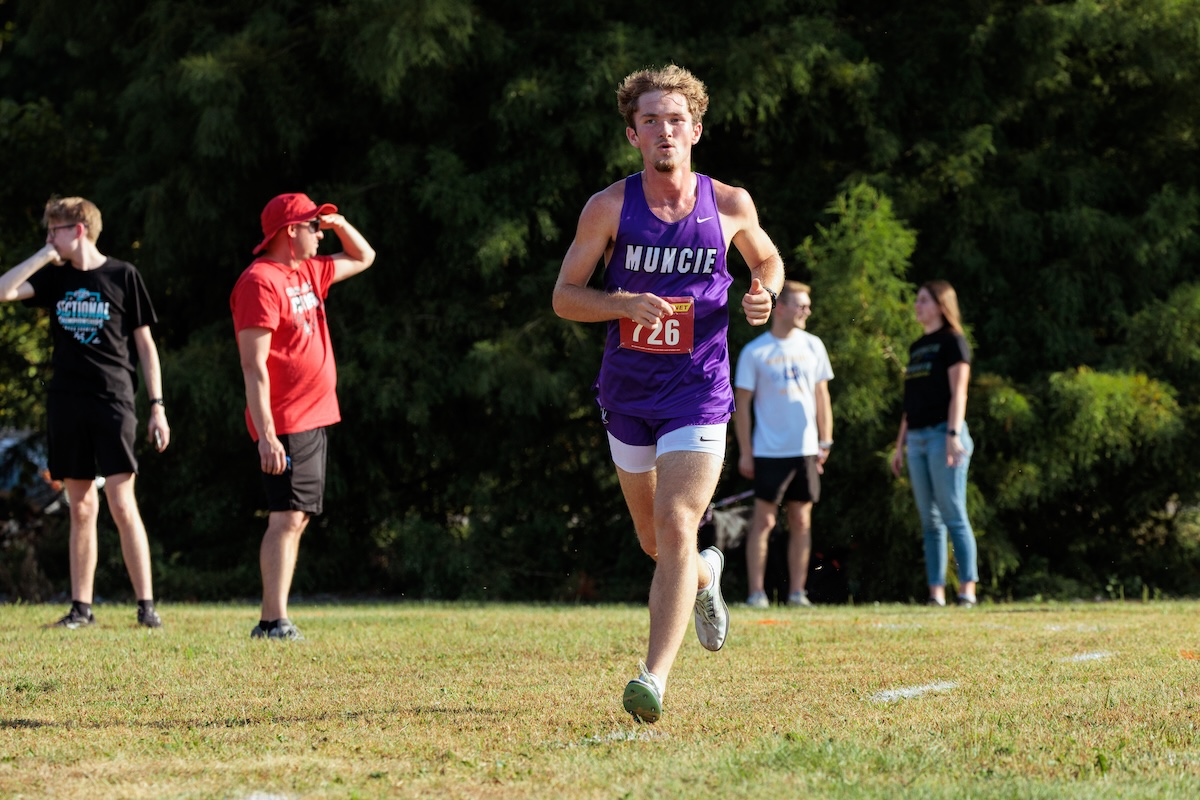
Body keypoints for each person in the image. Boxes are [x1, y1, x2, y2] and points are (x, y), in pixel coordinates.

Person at [552, 65, 784, 723]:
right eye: (650, 120)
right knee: (656, 540)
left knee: (679, 522)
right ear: (633, 135)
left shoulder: (730, 202)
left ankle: (652, 678)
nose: (664, 130)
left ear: (696, 131)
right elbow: (564, 297)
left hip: (700, 388)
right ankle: (706, 578)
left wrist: (761, 290)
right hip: (628, 391)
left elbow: (766, 258)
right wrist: (621, 302)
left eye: (675, 119)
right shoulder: (608, 207)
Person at [0, 196, 170, 629]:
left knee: (120, 500)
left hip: (113, 400)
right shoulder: (54, 279)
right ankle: (82, 609)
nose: (48, 238)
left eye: (53, 230)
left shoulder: (123, 275)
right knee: (80, 507)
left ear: (77, 229)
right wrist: (44, 255)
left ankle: (146, 607)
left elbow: (146, 346)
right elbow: (3, 290)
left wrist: (157, 406)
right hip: (66, 403)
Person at [231, 192, 375, 640]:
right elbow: (253, 367)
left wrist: (338, 222)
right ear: (290, 231)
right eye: (312, 225)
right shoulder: (260, 281)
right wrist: (266, 435)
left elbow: (364, 256)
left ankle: (276, 617)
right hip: (285, 420)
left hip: (314, 415)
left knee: (298, 515)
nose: (319, 232)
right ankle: (272, 620)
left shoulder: (308, 270)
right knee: (286, 516)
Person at [734, 280, 833, 609]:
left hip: (804, 450)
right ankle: (756, 593)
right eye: (800, 304)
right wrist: (746, 452)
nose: (806, 310)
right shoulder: (755, 352)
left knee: (802, 521)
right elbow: (742, 406)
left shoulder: (814, 345)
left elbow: (822, 397)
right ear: (781, 307)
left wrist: (825, 440)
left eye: (808, 304)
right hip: (767, 451)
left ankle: (797, 593)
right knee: (763, 521)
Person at [889, 280, 978, 607]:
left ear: (941, 305)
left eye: (923, 300)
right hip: (917, 438)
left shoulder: (954, 342)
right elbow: (910, 403)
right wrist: (899, 446)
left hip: (945, 435)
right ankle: (936, 593)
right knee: (930, 520)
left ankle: (967, 589)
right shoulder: (917, 347)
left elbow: (960, 393)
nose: (917, 305)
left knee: (954, 513)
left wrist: (954, 435)